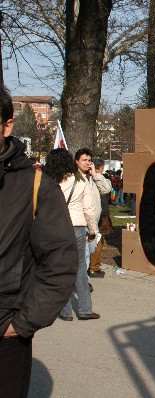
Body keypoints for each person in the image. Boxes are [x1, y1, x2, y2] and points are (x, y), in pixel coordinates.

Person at [0, 85, 78, 397]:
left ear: (7, 126)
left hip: (6, 336)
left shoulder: (37, 187)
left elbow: (60, 263)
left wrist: (21, 324)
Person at [44, 148, 100, 321]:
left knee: (61, 268)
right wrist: (93, 231)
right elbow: (89, 210)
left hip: (58, 226)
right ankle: (85, 309)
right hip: (77, 226)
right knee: (80, 268)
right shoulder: (81, 181)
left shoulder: (52, 181)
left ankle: (65, 310)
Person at [74, 149, 111, 280]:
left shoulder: (93, 178)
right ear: (77, 161)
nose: (87, 163)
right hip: (79, 222)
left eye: (89, 160)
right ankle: (83, 282)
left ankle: (82, 280)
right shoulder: (74, 178)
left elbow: (106, 189)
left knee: (89, 252)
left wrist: (95, 175)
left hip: (93, 223)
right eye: (84, 160)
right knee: (83, 255)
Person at [89, 158, 112, 278]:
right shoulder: (90, 179)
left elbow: (107, 188)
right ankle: (93, 267)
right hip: (95, 216)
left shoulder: (98, 179)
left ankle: (95, 265)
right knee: (96, 242)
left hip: (100, 214)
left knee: (99, 241)